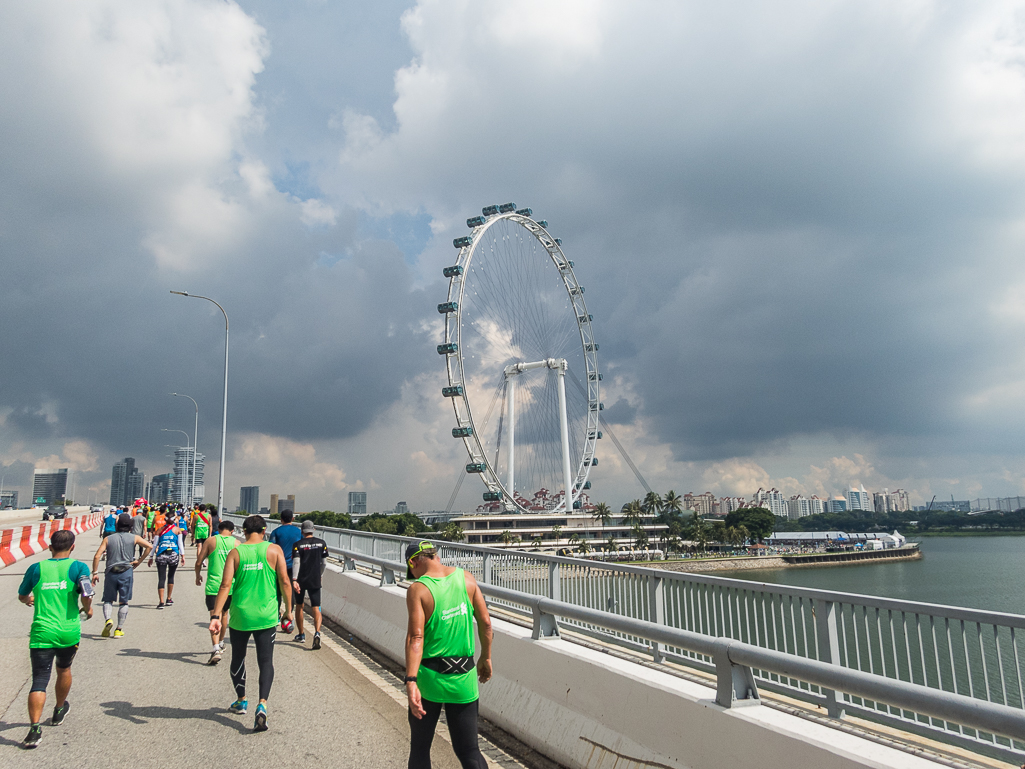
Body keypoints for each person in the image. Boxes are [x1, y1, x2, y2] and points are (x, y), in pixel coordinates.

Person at [404, 540, 493, 769]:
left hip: (430, 678)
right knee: (469, 750)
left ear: (414, 562)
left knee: (421, 747)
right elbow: (485, 623)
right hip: (464, 676)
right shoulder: (467, 579)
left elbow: (416, 637)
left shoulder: (418, 589)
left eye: (411, 570)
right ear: (436, 556)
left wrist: (411, 680)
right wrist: (486, 657)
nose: (413, 576)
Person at [209, 515, 292, 732]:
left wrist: (216, 616)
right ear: (264, 530)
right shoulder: (274, 551)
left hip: (240, 616)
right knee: (266, 661)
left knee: (238, 657)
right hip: (266, 616)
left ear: (243, 531)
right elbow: (284, 581)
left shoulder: (235, 553)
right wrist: (288, 612)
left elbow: (225, 585)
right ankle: (262, 704)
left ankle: (241, 700)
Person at [17, 529, 93, 749]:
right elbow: (87, 593)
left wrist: (29, 600)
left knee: (39, 679)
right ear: (73, 547)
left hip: (42, 632)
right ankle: (59, 709)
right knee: (64, 669)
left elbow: (22, 595)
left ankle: (34, 730)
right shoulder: (79, 567)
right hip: (68, 631)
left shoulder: (36, 568)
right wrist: (87, 610)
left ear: (50, 547)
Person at [91, 513, 151, 638]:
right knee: (124, 601)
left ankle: (108, 619)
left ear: (117, 526)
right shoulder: (134, 537)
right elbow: (149, 546)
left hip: (111, 571)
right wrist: (139, 561)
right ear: (130, 526)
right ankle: (119, 629)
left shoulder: (108, 539)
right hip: (126, 571)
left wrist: (95, 573)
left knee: (108, 599)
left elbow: (97, 556)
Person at [196, 519, 238, 664]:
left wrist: (197, 576)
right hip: (231, 586)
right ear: (232, 531)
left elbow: (199, 561)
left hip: (214, 585)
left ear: (219, 529)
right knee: (225, 614)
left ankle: (215, 648)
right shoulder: (237, 543)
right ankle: (220, 643)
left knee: (215, 615)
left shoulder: (211, 541)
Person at [290, 520, 328, 648]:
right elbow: (324, 563)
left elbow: (296, 563)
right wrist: (320, 574)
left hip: (301, 580)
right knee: (316, 607)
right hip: (315, 579)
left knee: (299, 606)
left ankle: (301, 634)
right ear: (313, 529)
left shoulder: (297, 545)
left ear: (302, 531)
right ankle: (317, 632)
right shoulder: (322, 543)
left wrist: (294, 580)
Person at [267, 511, 302, 619]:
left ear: (281, 519)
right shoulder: (298, 532)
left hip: (278, 565)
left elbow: (270, 548)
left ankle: (276, 614)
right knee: (289, 590)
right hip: (293, 566)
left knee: (276, 590)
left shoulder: (275, 532)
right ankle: (289, 614)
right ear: (292, 518)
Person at [149, 516, 185, 608]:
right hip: (173, 554)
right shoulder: (177, 530)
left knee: (161, 578)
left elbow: (155, 545)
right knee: (171, 576)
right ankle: (168, 598)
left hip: (161, 554)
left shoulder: (159, 530)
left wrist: (151, 556)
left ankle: (161, 602)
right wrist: (182, 555)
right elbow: (180, 544)